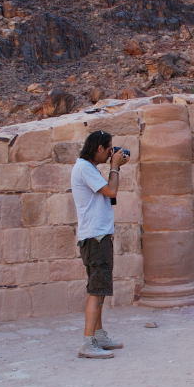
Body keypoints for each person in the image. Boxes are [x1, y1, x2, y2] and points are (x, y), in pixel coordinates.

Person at [71, 129, 130, 359]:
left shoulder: (88, 168)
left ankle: (99, 335)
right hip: (95, 238)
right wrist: (114, 167)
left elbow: (108, 196)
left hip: (98, 236)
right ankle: (87, 343)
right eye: (108, 149)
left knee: (101, 289)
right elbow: (111, 190)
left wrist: (115, 167)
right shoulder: (85, 168)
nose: (109, 154)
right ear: (98, 148)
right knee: (96, 291)